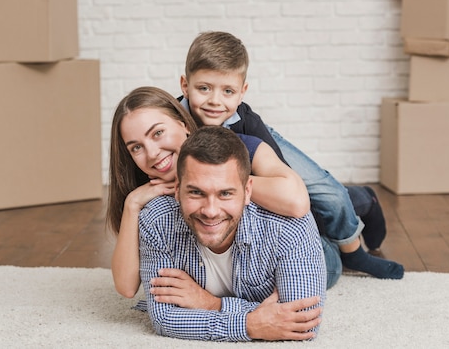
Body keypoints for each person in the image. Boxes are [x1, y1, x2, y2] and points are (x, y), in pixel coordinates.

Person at [179, 31, 401, 278]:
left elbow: (288, 190)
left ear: (242, 92)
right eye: (204, 88)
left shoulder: (248, 124)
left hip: (260, 149)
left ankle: (355, 238)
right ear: (185, 86)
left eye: (227, 92)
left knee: (331, 195)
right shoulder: (171, 124)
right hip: (242, 188)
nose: (214, 101)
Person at [107, 86, 341, 299]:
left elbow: (297, 202)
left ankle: (357, 207)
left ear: (183, 125)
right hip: (229, 271)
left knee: (333, 242)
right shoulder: (146, 194)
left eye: (158, 133)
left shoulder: (235, 147)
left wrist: (216, 181)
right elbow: (126, 288)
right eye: (136, 147)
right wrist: (132, 205)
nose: (152, 153)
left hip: (306, 249)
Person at [140, 125, 326, 341]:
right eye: (196, 192)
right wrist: (251, 324)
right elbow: (163, 319)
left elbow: (301, 323)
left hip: (322, 252)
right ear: (177, 189)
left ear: (247, 191)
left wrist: (210, 303)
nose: (210, 211)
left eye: (225, 193)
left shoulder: (290, 227)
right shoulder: (156, 220)